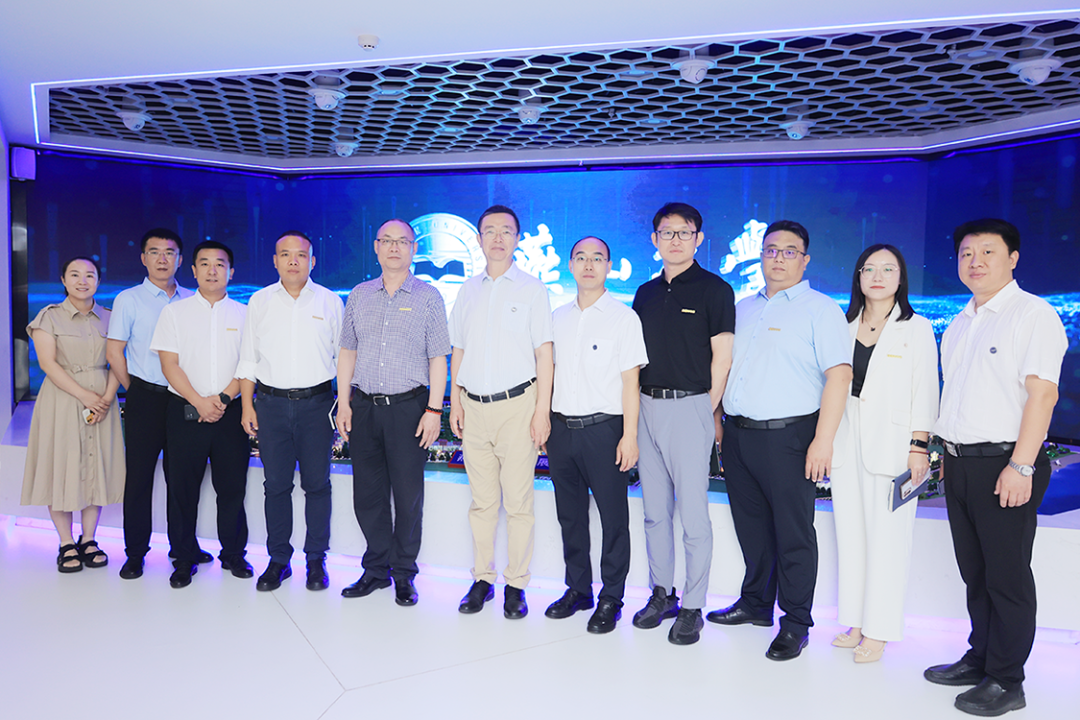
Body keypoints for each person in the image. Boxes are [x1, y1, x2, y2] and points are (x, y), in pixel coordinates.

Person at [924, 219, 1066, 717]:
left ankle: (1007, 680)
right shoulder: (961, 322)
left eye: (988, 251)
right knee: (976, 572)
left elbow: (1042, 396)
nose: (975, 261)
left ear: (1013, 258)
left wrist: (1022, 466)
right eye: (966, 253)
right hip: (961, 463)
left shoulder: (1033, 314)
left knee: (1006, 577)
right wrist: (947, 455)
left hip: (1007, 463)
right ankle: (981, 657)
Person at [709, 220, 851, 661]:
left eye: (789, 251)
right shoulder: (743, 308)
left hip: (790, 438)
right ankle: (755, 604)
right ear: (761, 256)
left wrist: (823, 440)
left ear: (804, 260)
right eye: (771, 250)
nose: (778, 258)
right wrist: (718, 420)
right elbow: (725, 367)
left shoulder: (821, 310)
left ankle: (796, 623)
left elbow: (839, 376)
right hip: (738, 434)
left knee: (793, 534)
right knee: (752, 529)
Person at [630, 202, 735, 646]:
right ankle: (663, 594)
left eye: (684, 232)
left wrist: (703, 410)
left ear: (699, 238)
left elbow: (722, 358)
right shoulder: (644, 293)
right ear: (654, 240)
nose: (675, 240)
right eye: (667, 232)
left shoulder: (715, 290)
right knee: (655, 513)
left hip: (691, 408)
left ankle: (693, 605)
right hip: (645, 407)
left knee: (693, 516)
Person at [829, 244, 939, 663]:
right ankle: (855, 621)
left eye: (888, 269)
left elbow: (925, 390)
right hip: (845, 438)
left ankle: (880, 629)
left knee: (889, 540)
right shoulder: (842, 325)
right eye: (869, 269)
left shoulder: (917, 328)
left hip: (894, 445)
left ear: (901, 278)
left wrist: (918, 447)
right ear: (858, 277)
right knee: (851, 535)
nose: (877, 276)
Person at [335, 219, 450, 606]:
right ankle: (375, 570)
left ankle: (404, 573)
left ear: (414, 249)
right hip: (364, 407)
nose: (395, 247)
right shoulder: (359, 295)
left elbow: (438, 358)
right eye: (387, 241)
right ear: (376, 247)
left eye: (403, 241)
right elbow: (347, 351)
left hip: (408, 409)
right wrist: (344, 402)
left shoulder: (429, 297)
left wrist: (434, 409)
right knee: (367, 495)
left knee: (407, 495)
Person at [448, 204, 554, 619]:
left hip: (518, 407)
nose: (497, 238)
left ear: (517, 239)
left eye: (506, 231)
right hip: (474, 408)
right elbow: (458, 349)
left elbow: (544, 355)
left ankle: (516, 584)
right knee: (482, 502)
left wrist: (541, 411)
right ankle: (482, 579)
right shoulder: (467, 291)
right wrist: (456, 400)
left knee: (519, 503)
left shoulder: (532, 290)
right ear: (478, 239)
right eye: (489, 231)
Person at [545, 236, 648, 634]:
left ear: (609, 266)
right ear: (570, 265)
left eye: (597, 258)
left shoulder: (624, 318)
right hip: (561, 430)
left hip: (605, 431)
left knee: (613, 518)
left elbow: (631, 383)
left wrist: (629, 435)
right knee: (570, 516)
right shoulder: (556, 318)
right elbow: (549, 374)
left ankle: (611, 598)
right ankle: (578, 589)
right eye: (581, 258)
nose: (589, 265)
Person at [238, 231, 342, 592]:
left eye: (301, 255)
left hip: (317, 405)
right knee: (276, 486)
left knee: (317, 485)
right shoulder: (260, 301)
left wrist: (344, 403)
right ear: (275, 260)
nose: (293, 261)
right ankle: (278, 560)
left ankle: (316, 561)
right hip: (271, 406)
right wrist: (247, 405)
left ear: (312, 261)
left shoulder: (330, 302)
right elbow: (248, 358)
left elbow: (344, 358)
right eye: (285, 254)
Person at [107, 228, 212, 580]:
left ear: (181, 260)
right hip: (145, 397)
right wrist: (136, 389)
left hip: (182, 399)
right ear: (143, 258)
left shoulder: (192, 299)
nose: (162, 259)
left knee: (182, 478)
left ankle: (184, 548)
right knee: (138, 478)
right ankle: (135, 553)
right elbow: (114, 352)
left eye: (170, 253)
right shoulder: (129, 299)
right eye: (155, 252)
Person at [150, 240, 251, 589]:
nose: (212, 270)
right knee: (181, 488)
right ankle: (183, 557)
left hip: (229, 412)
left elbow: (248, 365)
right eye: (205, 263)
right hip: (184, 412)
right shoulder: (174, 313)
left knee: (232, 487)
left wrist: (221, 399)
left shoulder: (245, 314)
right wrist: (198, 401)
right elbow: (169, 364)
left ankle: (233, 553)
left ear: (231, 272)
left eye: (220, 264)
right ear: (193, 271)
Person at [22, 256, 125, 572]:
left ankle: (89, 538)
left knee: (96, 465)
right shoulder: (48, 317)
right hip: (63, 399)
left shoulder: (111, 318)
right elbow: (47, 364)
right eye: (75, 275)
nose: (83, 281)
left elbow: (118, 360)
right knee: (61, 466)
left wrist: (106, 398)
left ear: (98, 281)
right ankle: (66, 542)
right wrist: (84, 396)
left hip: (102, 400)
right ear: (63, 280)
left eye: (90, 275)